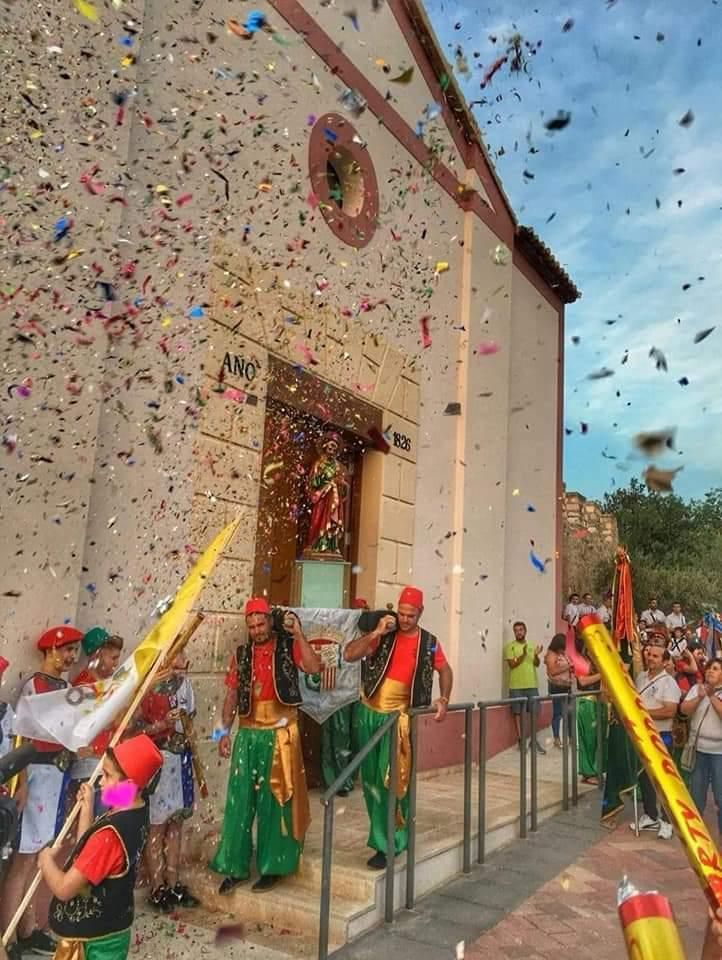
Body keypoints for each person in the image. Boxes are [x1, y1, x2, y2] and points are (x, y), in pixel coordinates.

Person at [211, 598, 321, 894]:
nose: (257, 630)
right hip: (247, 736)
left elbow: (313, 667)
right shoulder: (242, 654)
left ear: (270, 622)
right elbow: (232, 696)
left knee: (276, 802)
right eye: (251, 626)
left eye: (260, 624)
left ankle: (274, 865)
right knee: (239, 801)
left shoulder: (288, 646)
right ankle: (234, 866)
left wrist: (299, 634)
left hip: (279, 735)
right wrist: (221, 733)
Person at [345, 586, 453, 870]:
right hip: (367, 713)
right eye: (402, 614)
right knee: (369, 783)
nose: (404, 620)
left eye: (411, 615)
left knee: (393, 781)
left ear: (421, 613)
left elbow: (445, 670)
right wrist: (377, 632)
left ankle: (392, 841)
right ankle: (382, 835)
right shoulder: (384, 633)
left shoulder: (429, 642)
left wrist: (444, 698)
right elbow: (349, 655)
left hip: (398, 720)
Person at [37, 734, 163, 960]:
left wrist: (46, 862)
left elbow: (65, 889)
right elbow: (89, 850)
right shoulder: (136, 810)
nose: (101, 781)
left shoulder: (109, 837)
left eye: (107, 775)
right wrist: (87, 809)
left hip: (96, 941)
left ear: (130, 785)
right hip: (114, 928)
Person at [0, 625, 83, 959]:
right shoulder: (34, 686)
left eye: (74, 651)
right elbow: (19, 737)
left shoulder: (65, 686)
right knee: (21, 862)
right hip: (35, 777)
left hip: (57, 777)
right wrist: (19, 784)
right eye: (66, 651)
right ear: (49, 651)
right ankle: (8, 936)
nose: (71, 657)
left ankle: (29, 928)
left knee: (39, 859)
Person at [140, 653, 199, 912]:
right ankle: (157, 887)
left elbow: (190, 719)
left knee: (176, 822)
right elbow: (135, 729)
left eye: (183, 666)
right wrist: (161, 725)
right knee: (156, 826)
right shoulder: (150, 688)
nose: (179, 671)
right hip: (159, 759)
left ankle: (174, 883)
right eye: (174, 666)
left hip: (181, 759)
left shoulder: (185, 685)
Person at [67, 629, 124, 807]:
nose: (117, 663)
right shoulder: (83, 686)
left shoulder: (112, 682)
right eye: (113, 658)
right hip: (92, 769)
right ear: (97, 656)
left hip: (115, 765)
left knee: (116, 818)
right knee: (92, 825)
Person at [319, 598, 367, 797]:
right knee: (336, 739)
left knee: (356, 738)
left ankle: (348, 776)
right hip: (337, 695)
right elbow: (327, 666)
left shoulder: (369, 637)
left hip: (359, 696)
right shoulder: (335, 636)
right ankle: (336, 781)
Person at [632, 646, 681, 840]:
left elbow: (669, 711)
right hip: (642, 735)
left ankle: (668, 821)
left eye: (656, 656)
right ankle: (650, 814)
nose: (650, 658)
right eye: (649, 655)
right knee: (645, 778)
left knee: (663, 781)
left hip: (661, 736)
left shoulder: (669, 683)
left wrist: (643, 714)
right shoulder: (641, 678)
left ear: (664, 661)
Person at [680, 658, 722, 839]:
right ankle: (698, 838)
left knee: (721, 799)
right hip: (698, 751)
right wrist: (700, 696)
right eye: (709, 668)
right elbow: (684, 710)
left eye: (716, 669)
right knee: (696, 797)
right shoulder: (696, 689)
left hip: (719, 753)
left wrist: (712, 696)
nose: (710, 672)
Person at [504, 622, 546, 755]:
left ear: (525, 631)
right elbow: (512, 665)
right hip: (516, 686)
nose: (519, 632)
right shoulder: (510, 647)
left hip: (532, 684)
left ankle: (533, 741)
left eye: (521, 630)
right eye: (516, 630)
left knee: (534, 713)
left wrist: (537, 655)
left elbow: (537, 664)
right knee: (518, 713)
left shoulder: (532, 645)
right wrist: (522, 654)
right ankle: (521, 740)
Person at [575, 640, 604, 784]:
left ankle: (590, 770)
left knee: (594, 738)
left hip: (597, 702)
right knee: (589, 739)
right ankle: (590, 772)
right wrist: (603, 674)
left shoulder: (599, 663)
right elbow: (583, 682)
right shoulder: (581, 662)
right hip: (587, 702)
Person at [544, 634, 572, 749]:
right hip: (557, 687)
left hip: (566, 686)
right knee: (558, 713)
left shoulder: (562, 654)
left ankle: (570, 738)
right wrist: (568, 667)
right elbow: (552, 671)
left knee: (569, 713)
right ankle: (556, 738)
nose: (563, 649)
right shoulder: (551, 654)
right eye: (562, 647)